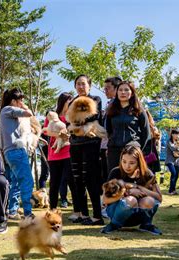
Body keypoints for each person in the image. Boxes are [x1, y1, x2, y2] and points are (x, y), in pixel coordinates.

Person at [101, 145, 163, 235]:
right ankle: (114, 225)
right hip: (117, 213)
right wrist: (127, 192)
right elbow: (105, 200)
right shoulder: (115, 172)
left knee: (150, 200)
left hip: (137, 215)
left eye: (132, 163)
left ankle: (146, 224)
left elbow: (159, 198)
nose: (127, 166)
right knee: (131, 200)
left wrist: (138, 187)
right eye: (124, 162)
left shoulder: (147, 173)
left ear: (139, 162)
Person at [69, 75, 104, 225]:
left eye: (83, 84)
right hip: (75, 145)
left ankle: (97, 216)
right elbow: (70, 120)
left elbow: (94, 116)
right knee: (77, 181)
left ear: (89, 85)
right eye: (78, 84)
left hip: (91, 144)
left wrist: (78, 122)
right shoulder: (72, 101)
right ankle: (83, 214)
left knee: (91, 180)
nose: (81, 87)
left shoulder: (96, 99)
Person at [0, 88, 34, 219]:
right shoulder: (8, 109)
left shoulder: (4, 112)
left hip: (9, 152)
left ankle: (12, 210)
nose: (22, 103)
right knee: (27, 181)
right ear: (13, 101)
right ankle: (28, 212)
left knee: (16, 182)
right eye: (20, 100)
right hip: (16, 150)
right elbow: (29, 113)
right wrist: (24, 106)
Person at [43, 92, 78, 214]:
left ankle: (77, 210)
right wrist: (60, 134)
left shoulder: (73, 117)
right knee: (54, 183)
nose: (72, 103)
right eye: (70, 101)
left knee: (72, 182)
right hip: (54, 153)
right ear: (64, 101)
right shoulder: (53, 116)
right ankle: (52, 210)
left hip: (69, 152)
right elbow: (46, 131)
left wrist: (68, 133)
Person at [105, 81, 151, 173]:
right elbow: (109, 129)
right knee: (115, 180)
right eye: (120, 90)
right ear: (116, 92)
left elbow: (146, 132)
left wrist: (139, 150)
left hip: (132, 149)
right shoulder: (111, 110)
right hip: (114, 150)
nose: (123, 92)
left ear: (132, 93)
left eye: (126, 90)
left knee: (131, 179)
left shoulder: (138, 110)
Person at [101, 77, 122, 184]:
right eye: (104, 88)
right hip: (106, 146)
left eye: (108, 88)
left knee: (114, 177)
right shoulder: (110, 104)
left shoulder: (120, 105)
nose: (105, 91)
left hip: (114, 147)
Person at [165, 129, 179, 195]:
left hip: (176, 161)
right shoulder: (169, 141)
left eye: (178, 134)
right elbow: (173, 148)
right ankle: (170, 190)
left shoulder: (178, 141)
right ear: (172, 134)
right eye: (176, 134)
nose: (177, 136)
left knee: (177, 175)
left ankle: (173, 190)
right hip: (169, 161)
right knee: (174, 173)